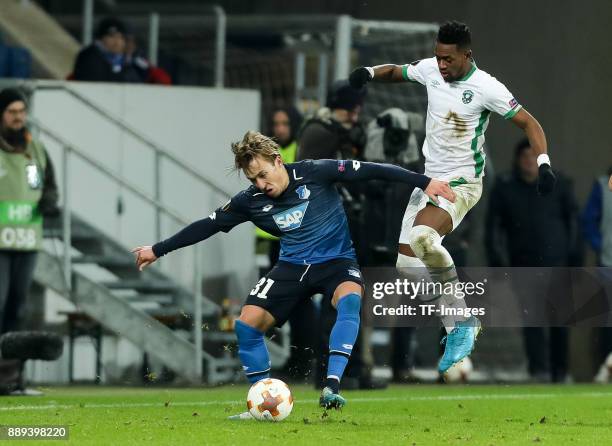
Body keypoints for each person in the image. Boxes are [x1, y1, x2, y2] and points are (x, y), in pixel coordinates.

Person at [132, 131, 454, 415]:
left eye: (262, 174)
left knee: (350, 301)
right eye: (253, 180)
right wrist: (157, 249)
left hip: (336, 262)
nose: (261, 184)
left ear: (277, 160)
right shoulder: (250, 201)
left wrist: (425, 182)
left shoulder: (316, 172)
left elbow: (374, 170)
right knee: (246, 325)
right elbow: (208, 225)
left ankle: (332, 386)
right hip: (291, 267)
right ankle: (261, 399)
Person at [348, 20, 556, 375]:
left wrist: (543, 163)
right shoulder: (431, 70)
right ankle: (460, 318)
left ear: (466, 54)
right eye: (438, 57)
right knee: (408, 266)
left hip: (462, 184)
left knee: (423, 238)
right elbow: (397, 72)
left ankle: (461, 322)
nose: (441, 65)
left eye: (448, 59)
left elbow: (530, 123)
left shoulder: (486, 87)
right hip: (429, 182)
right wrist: (368, 72)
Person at [486, 139, 580, 382]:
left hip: (557, 263)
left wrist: (575, 259)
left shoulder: (559, 183)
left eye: (533, 156)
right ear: (518, 160)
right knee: (532, 321)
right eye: (525, 157)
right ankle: (538, 371)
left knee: (560, 320)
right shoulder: (505, 188)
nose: (529, 162)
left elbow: (574, 222)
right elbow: (492, 227)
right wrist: (496, 260)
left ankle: (561, 372)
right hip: (523, 265)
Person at [0, 88, 59, 335]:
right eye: (12, 112)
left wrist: (48, 202)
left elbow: (46, 187)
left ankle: (10, 366)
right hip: (0, 242)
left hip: (27, 240)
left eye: (22, 111)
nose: (18, 117)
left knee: (17, 307)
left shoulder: (34, 150)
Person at [583, 166, 612, 379]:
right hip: (608, 264)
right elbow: (588, 220)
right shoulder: (603, 186)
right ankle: (604, 366)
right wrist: (600, 245)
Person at [72, 17, 140, 83]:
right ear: (101, 39)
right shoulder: (88, 56)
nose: (117, 42)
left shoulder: (128, 60)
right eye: (112, 36)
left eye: (121, 37)